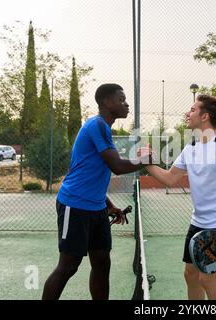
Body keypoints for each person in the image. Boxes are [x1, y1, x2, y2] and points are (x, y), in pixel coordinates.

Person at [42, 84, 152, 300]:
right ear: (106, 103)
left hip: (96, 208)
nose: (126, 103)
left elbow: (94, 173)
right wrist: (145, 161)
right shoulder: (97, 125)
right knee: (68, 266)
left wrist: (108, 205)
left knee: (102, 263)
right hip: (74, 205)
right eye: (121, 99)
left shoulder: (104, 128)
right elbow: (117, 167)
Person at [145, 95, 216, 300]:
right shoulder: (192, 146)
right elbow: (170, 178)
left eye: (193, 109)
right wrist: (148, 163)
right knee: (191, 274)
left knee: (208, 279)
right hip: (198, 222)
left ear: (205, 116)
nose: (188, 113)